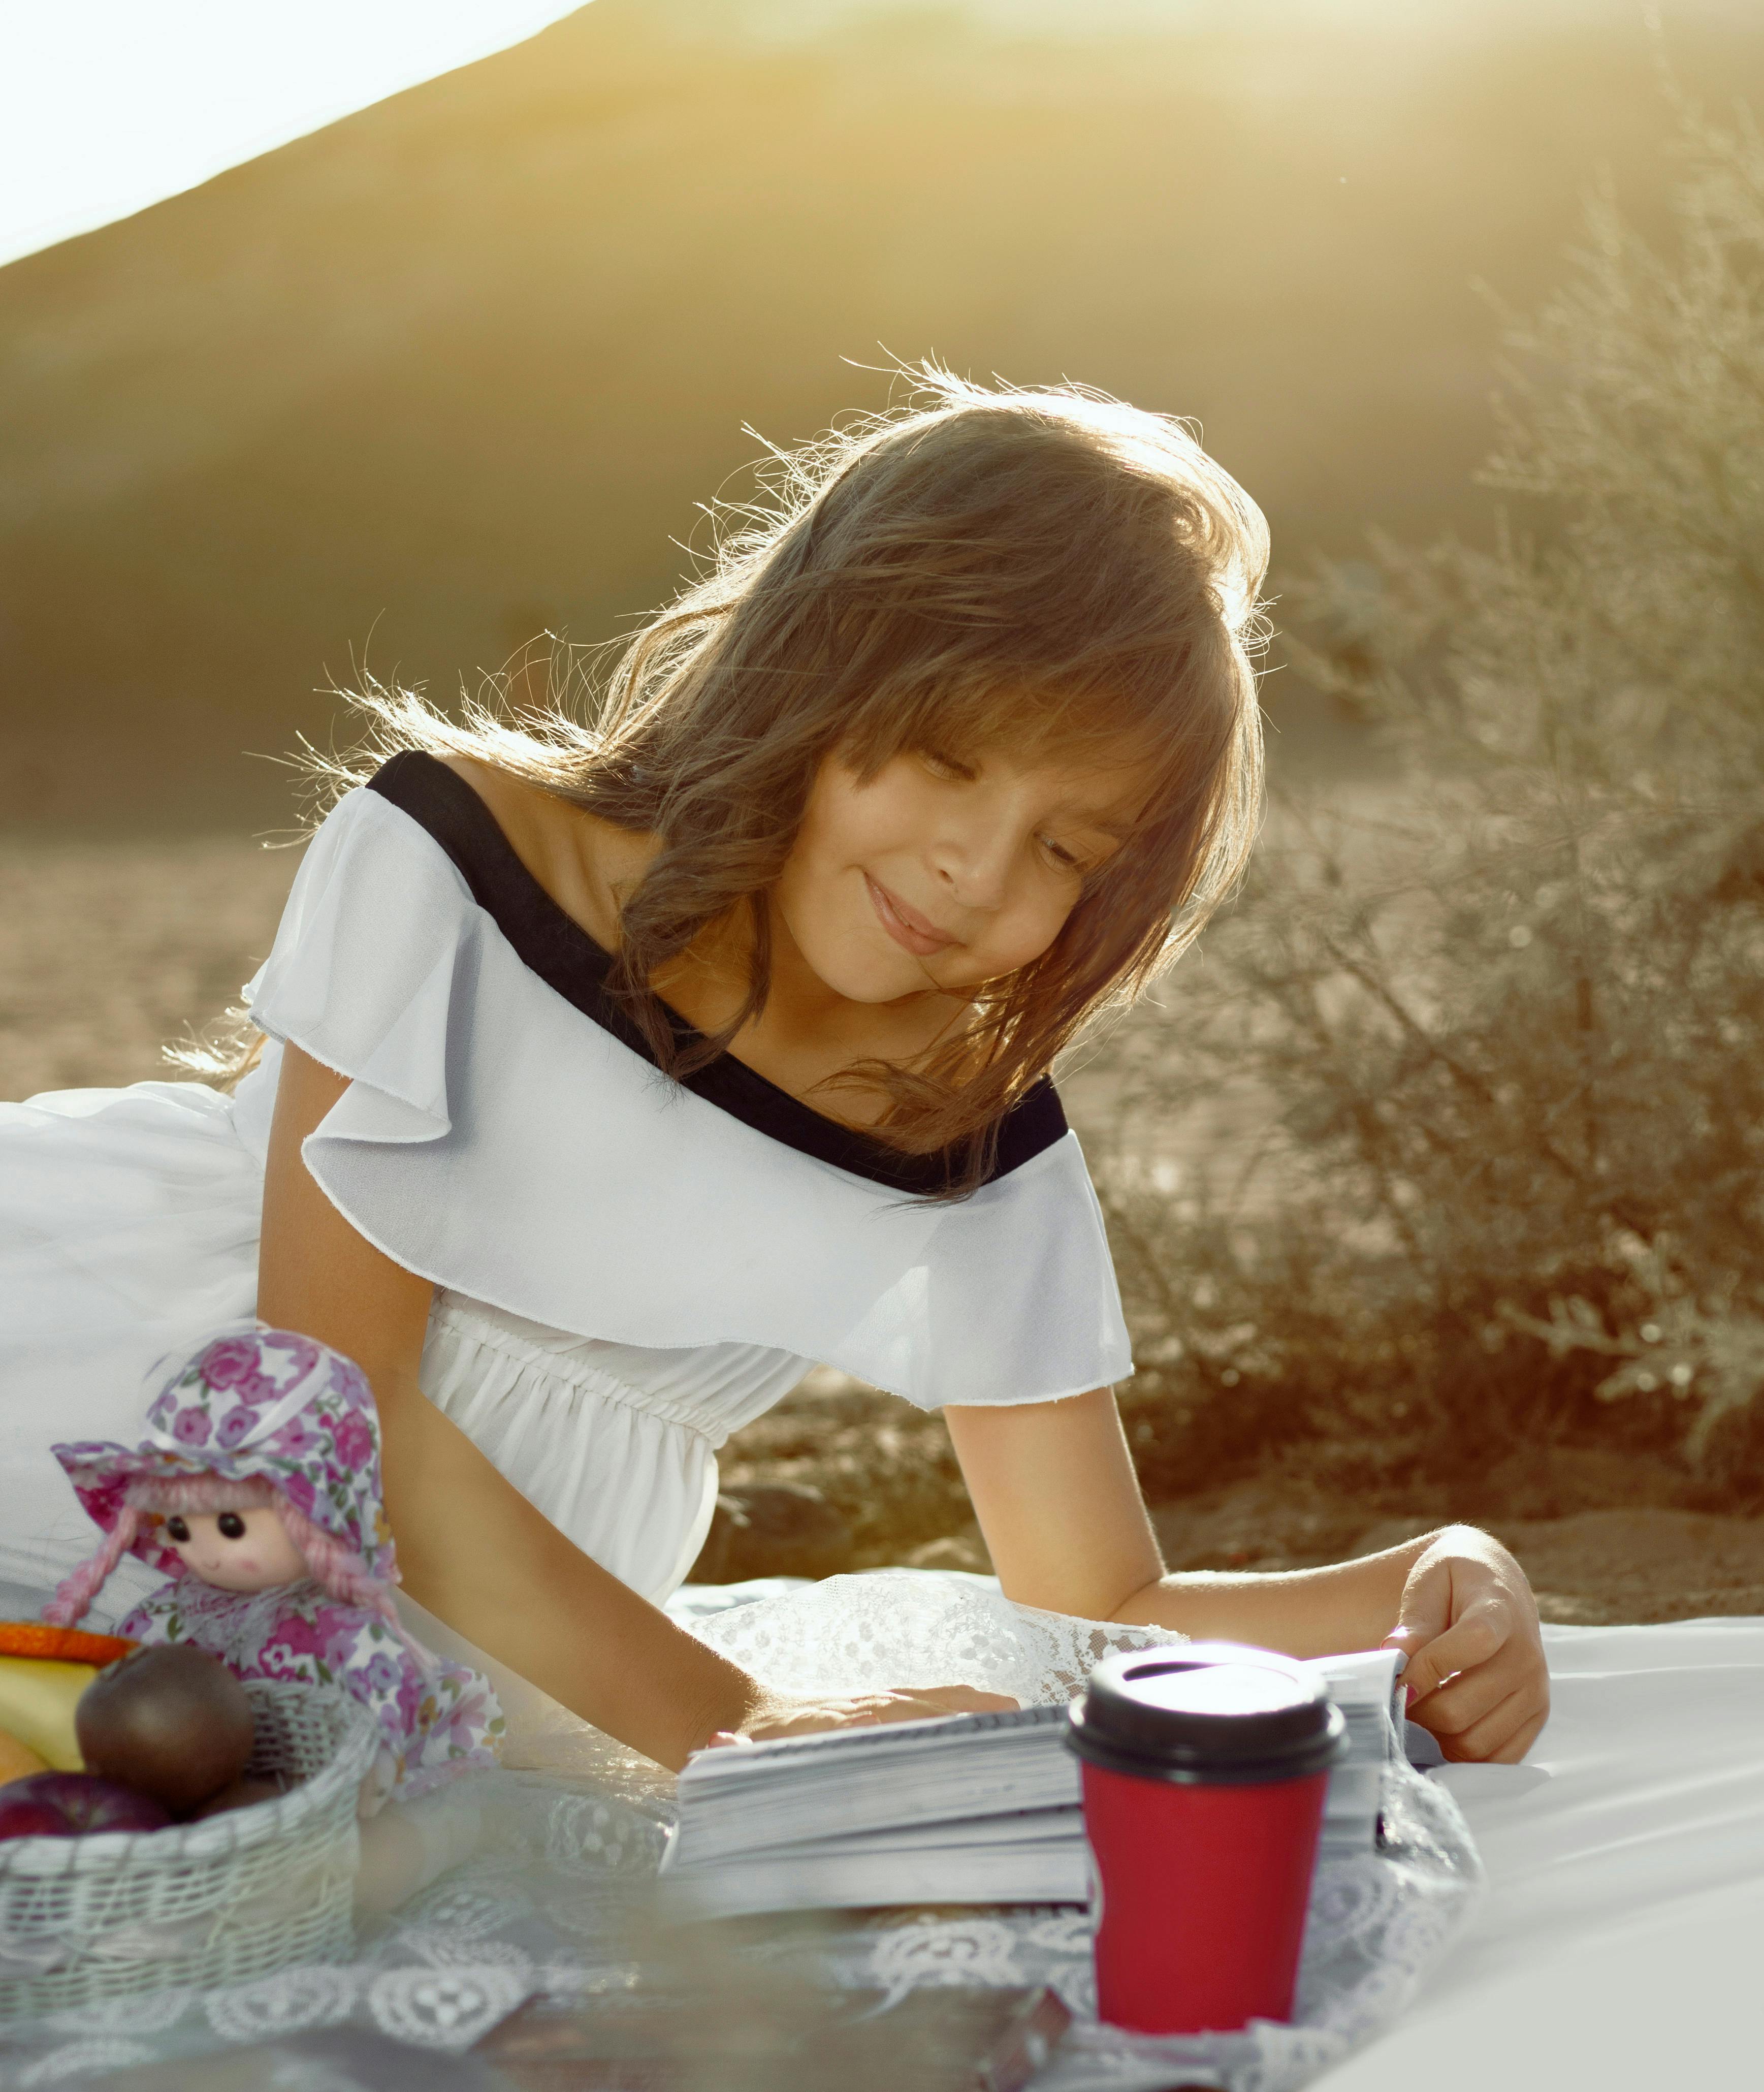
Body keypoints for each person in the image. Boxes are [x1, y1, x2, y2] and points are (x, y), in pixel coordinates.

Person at [0, 377, 1547, 1772]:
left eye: (1063, 849)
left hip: (527, 1659)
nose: (971, 868)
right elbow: (330, 1407)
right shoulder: (452, 854)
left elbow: (1100, 1596)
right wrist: (745, 1726)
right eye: (947, 758)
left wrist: (1428, 1582)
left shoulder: (965, 1133)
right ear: (817, 664)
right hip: (144, 1444)